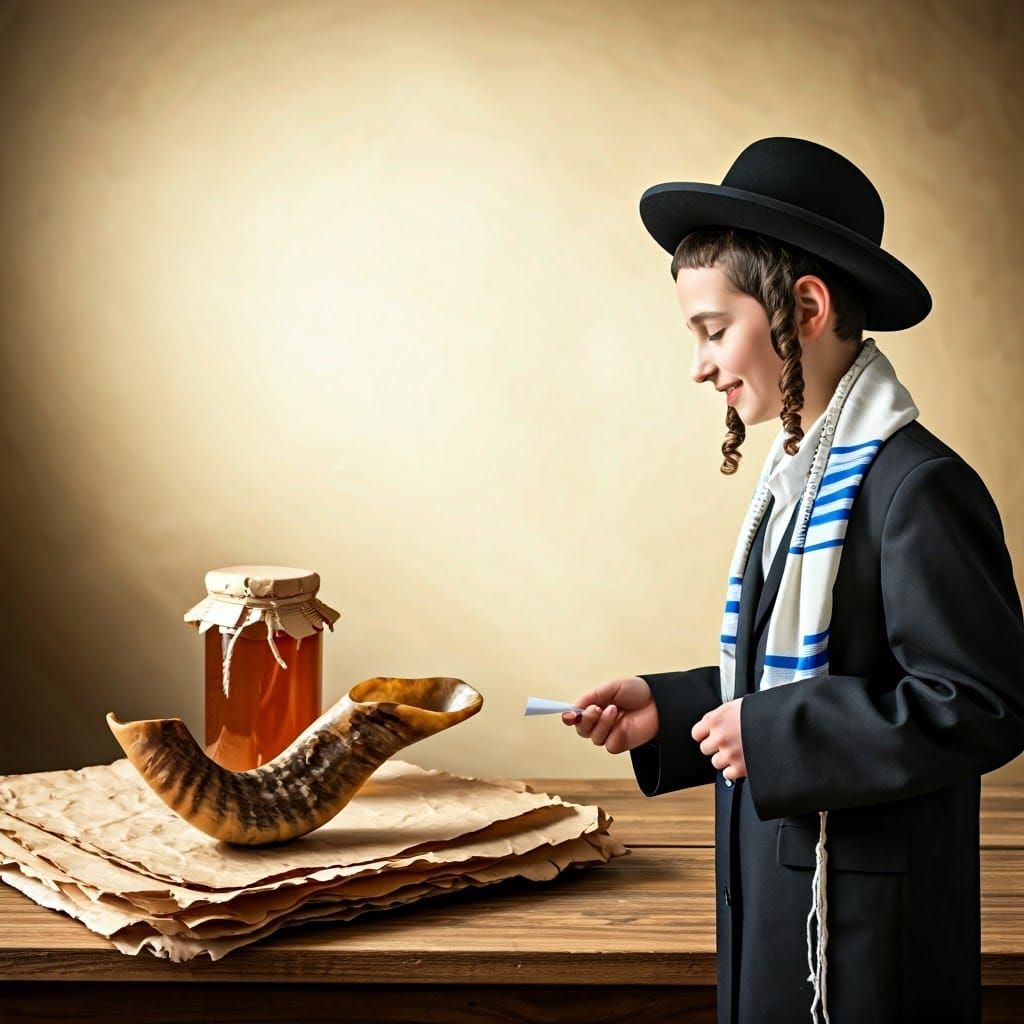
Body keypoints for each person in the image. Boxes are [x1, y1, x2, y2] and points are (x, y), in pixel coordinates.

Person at [561, 136, 1024, 1024]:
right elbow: (802, 671)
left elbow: (980, 704)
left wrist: (774, 734)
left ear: (804, 307)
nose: (699, 365)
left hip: (866, 943)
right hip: (782, 909)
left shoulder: (916, 487)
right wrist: (674, 707)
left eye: (712, 330)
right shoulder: (801, 478)